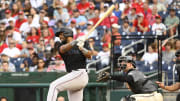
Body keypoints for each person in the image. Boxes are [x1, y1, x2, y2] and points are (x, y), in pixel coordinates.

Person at [47, 27, 93, 101]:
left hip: (80, 74)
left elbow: (90, 56)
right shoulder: (59, 44)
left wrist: (82, 48)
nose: (60, 37)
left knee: (54, 86)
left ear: (67, 34)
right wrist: (75, 42)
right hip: (73, 76)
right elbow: (63, 49)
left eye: (61, 34)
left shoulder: (83, 43)